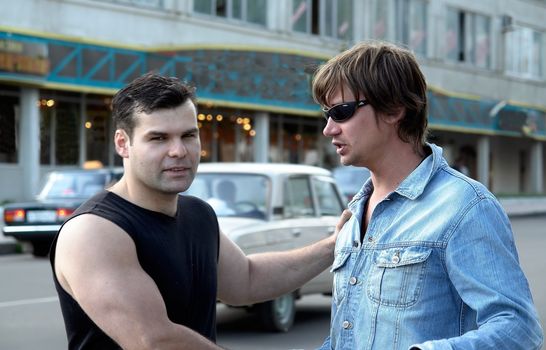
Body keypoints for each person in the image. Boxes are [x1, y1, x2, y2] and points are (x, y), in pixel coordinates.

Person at [50, 72, 351, 349]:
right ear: (123, 143)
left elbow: (247, 279)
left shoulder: (197, 214)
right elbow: (153, 340)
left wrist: (335, 246)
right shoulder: (94, 231)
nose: (178, 151)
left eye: (188, 135)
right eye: (158, 138)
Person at [312, 41, 543, 350]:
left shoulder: (465, 206)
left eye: (341, 112)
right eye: (327, 114)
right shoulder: (355, 213)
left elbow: (519, 329)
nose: (329, 129)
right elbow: (350, 335)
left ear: (394, 109)